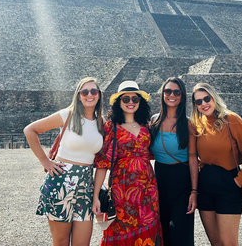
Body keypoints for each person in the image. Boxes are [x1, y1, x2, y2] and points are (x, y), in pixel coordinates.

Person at [24, 77, 105, 246]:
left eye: (93, 91)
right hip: (61, 181)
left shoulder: (101, 123)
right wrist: (45, 162)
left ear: (99, 95)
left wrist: (96, 194)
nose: (89, 94)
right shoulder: (67, 115)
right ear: (79, 96)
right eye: (85, 91)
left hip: (85, 186)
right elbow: (30, 130)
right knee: (60, 242)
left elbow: (102, 162)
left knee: (82, 243)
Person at [92, 81, 163, 245]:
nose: (131, 102)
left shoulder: (147, 126)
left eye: (135, 99)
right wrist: (96, 195)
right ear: (119, 102)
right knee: (120, 229)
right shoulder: (111, 127)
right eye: (126, 99)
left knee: (147, 227)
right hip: (121, 190)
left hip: (148, 188)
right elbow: (103, 163)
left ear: (140, 102)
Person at [190, 83, 242, 246]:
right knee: (216, 242)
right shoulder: (197, 125)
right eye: (198, 102)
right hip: (205, 187)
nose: (203, 104)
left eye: (207, 99)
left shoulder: (232, 120)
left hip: (228, 186)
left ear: (214, 98)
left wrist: (239, 181)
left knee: (229, 243)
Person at [149, 77, 198, 246]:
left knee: (181, 233)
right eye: (168, 91)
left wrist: (194, 191)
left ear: (182, 96)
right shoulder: (154, 121)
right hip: (159, 178)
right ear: (162, 94)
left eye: (177, 92)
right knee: (161, 229)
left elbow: (193, 159)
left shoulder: (188, 124)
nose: (172, 95)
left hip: (181, 179)